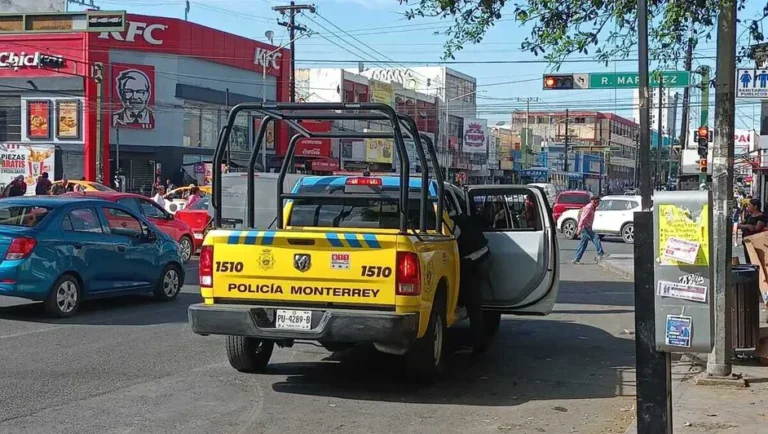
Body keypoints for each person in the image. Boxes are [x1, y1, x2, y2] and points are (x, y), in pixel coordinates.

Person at [573, 195, 608, 264]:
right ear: (594, 201)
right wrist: (579, 228)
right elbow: (583, 218)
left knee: (583, 244)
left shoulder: (592, 207)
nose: (598, 204)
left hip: (587, 226)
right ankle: (600, 253)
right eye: (598, 202)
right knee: (596, 237)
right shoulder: (588, 208)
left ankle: (576, 259)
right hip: (585, 227)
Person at [738, 198, 766, 263]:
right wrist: (747, 226)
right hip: (747, 242)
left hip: (758, 243)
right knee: (748, 260)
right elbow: (739, 225)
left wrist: (748, 226)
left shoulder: (762, 216)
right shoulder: (748, 216)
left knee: (757, 261)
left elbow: (757, 228)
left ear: (755, 207)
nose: (748, 207)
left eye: (749, 205)